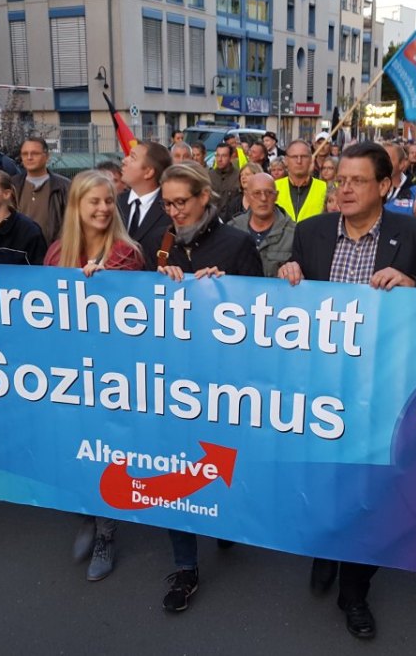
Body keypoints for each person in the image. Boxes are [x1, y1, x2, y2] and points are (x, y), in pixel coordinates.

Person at [278, 142, 416, 640]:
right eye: (340, 180)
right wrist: (288, 274)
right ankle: (324, 550)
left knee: (373, 490)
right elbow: (295, 296)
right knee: (326, 477)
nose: (346, 189)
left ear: (384, 186)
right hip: (323, 387)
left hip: (386, 386)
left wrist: (413, 282)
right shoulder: (312, 231)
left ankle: (354, 589)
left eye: (358, 181)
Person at [153, 162, 262, 613]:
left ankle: (223, 520)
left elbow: (264, 314)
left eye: (182, 201)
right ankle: (185, 567)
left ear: (204, 198)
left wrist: (228, 291)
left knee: (217, 462)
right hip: (171, 382)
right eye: (167, 203)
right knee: (174, 467)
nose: (174, 211)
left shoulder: (237, 244)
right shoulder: (158, 246)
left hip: (223, 382)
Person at [44, 170, 145, 580]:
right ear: (77, 208)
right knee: (73, 446)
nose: (104, 208)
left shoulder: (125, 253)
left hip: (112, 374)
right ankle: (85, 512)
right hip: (65, 371)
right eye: (94, 202)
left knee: (106, 450)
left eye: (108, 201)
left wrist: (102, 286)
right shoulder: (54, 254)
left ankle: (106, 530)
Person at [228, 172, 294, 277]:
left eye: (269, 193)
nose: (263, 198)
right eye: (257, 193)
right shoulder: (232, 230)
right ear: (247, 197)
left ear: (276, 196)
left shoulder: (293, 234)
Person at [118, 140, 174, 263]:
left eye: (132, 157)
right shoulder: (115, 204)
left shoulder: (171, 209)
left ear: (148, 172)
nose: (124, 160)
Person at [10, 137, 70, 245]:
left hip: (53, 251)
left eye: (35, 153)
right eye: (24, 154)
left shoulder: (64, 186)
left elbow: (71, 222)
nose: (29, 157)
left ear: (47, 157)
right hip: (20, 251)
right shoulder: (12, 185)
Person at [276, 140, 328, 222]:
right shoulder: (274, 188)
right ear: (286, 160)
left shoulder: (325, 188)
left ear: (311, 159)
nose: (299, 161)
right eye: (294, 157)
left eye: (303, 157)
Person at [381, 142, 414, 214]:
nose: (381, 163)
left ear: (401, 164)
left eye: (387, 159)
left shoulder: (415, 192)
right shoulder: (369, 189)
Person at [209, 142, 241, 207]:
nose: (219, 159)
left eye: (224, 156)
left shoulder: (238, 176)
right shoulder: (209, 176)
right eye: (217, 155)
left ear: (230, 158)